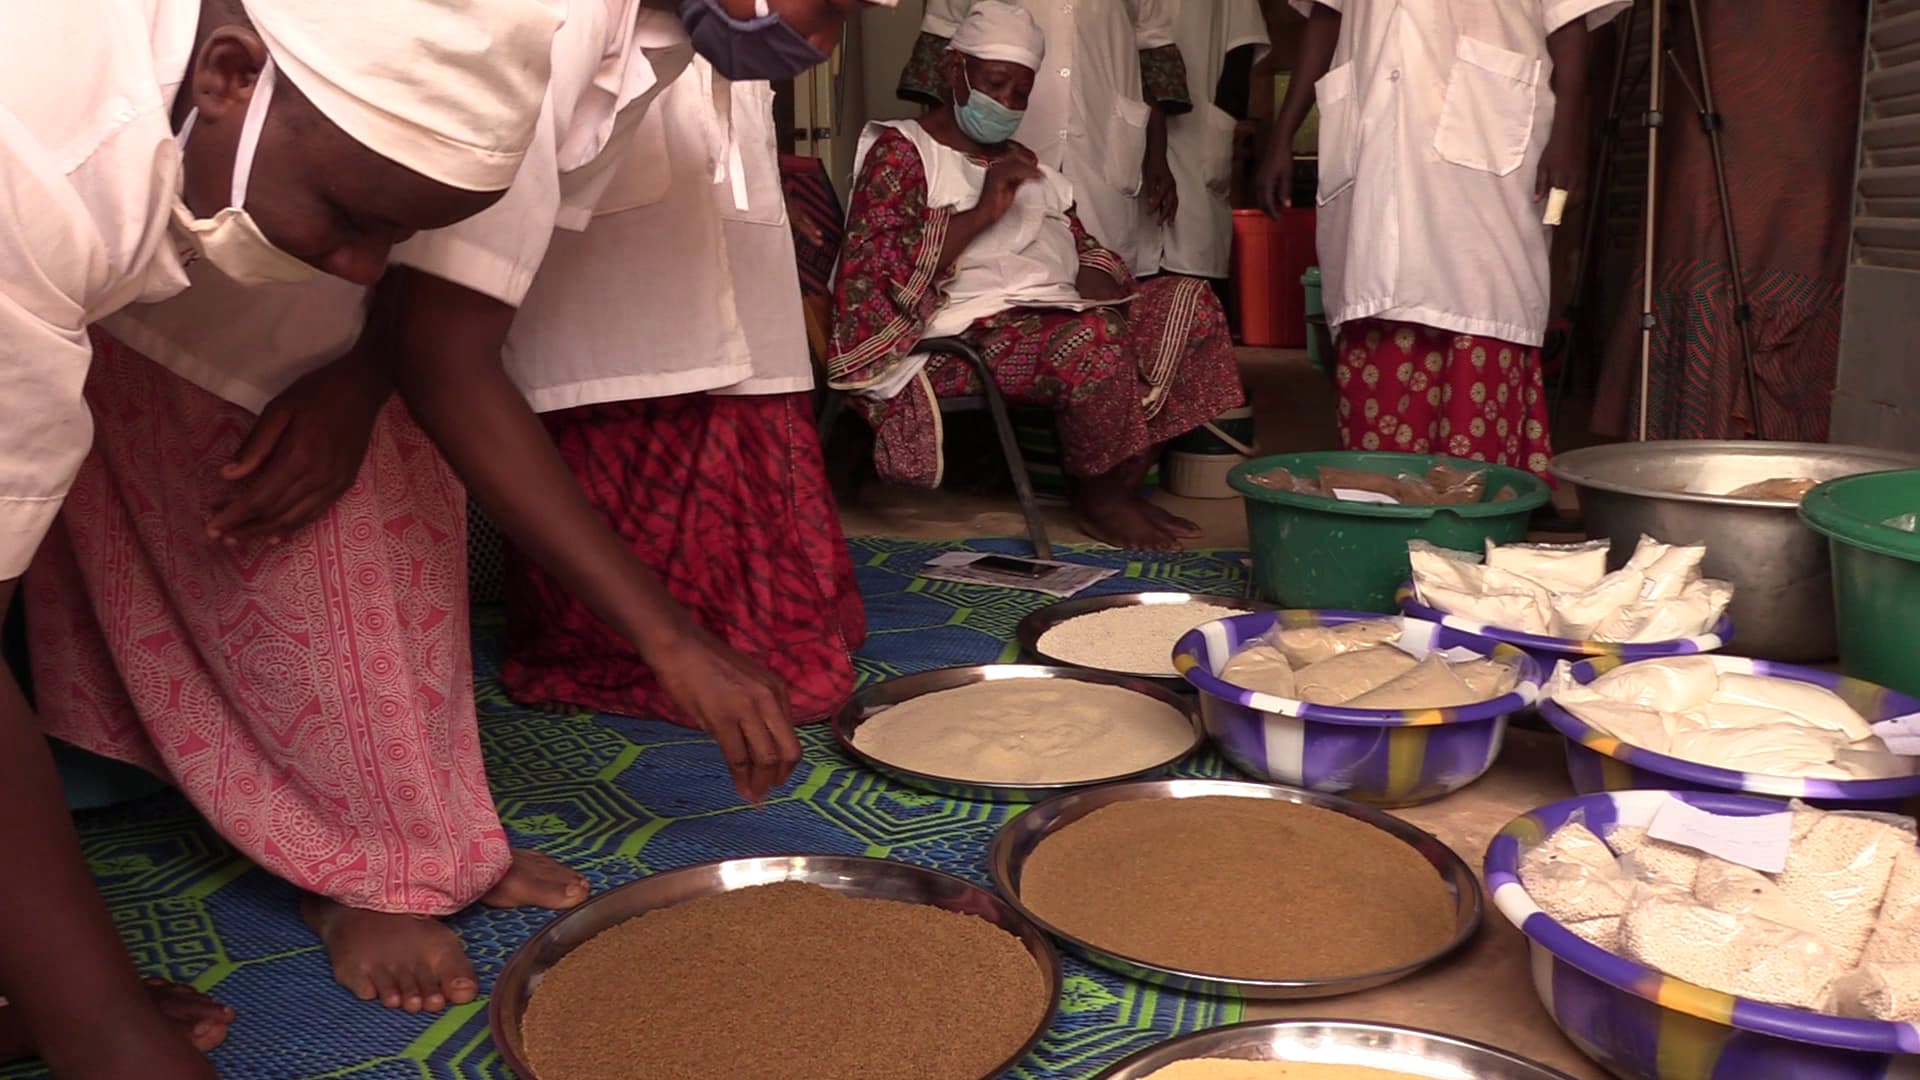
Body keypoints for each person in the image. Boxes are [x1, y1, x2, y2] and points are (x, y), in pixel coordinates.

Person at [26, 0, 881, 1022]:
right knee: (296, 593)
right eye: (822, 3)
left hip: (326, 329)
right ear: (226, 77)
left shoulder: (630, 57)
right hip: (209, 325)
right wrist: (668, 637)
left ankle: (425, 836)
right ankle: (355, 868)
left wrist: (363, 373)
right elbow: (440, 336)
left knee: (403, 583)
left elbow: (439, 293)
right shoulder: (52, 171)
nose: (821, 37)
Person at [1, 0, 563, 1074]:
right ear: (227, 75)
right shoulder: (39, 165)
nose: (360, 272)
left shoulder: (144, 114)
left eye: (393, 240)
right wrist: (109, 1036)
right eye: (350, 217)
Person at [498, 59, 866, 726]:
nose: (818, 49)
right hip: (615, 229)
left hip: (728, 191)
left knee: (753, 382)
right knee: (631, 378)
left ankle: (754, 634)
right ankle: (627, 647)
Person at [831, 1, 1244, 551]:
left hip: (1053, 314)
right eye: (995, 84)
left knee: (1188, 301)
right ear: (955, 71)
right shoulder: (903, 152)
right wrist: (984, 209)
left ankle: (1118, 477)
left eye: (1019, 92)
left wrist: (1098, 280)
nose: (1006, 103)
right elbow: (875, 276)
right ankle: (1100, 499)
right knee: (1090, 342)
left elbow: (1085, 245)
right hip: (954, 337)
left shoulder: (1026, 161)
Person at [1258, 0, 1622, 477]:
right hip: (1373, 151)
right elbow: (1327, 17)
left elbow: (1570, 20)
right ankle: (1387, 515)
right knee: (1377, 314)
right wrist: (1282, 136)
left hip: (1486, 143)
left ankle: (1478, 517)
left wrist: (1570, 132)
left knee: (1482, 315)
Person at [1592, 1, 1864, 442]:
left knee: (1805, 235)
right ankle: (1695, 439)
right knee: (1710, 227)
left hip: (1816, 52)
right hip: (1718, 53)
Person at [897, 0, 1191, 276]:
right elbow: (940, 43)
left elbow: (1153, 53)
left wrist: (1156, 156)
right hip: (1005, 138)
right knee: (1003, 264)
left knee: (1103, 271)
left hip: (1102, 142)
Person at [1159, 0, 1269, 282]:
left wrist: (1223, 121)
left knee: (1192, 274)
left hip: (1196, 133)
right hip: (1129, 137)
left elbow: (1241, 47)